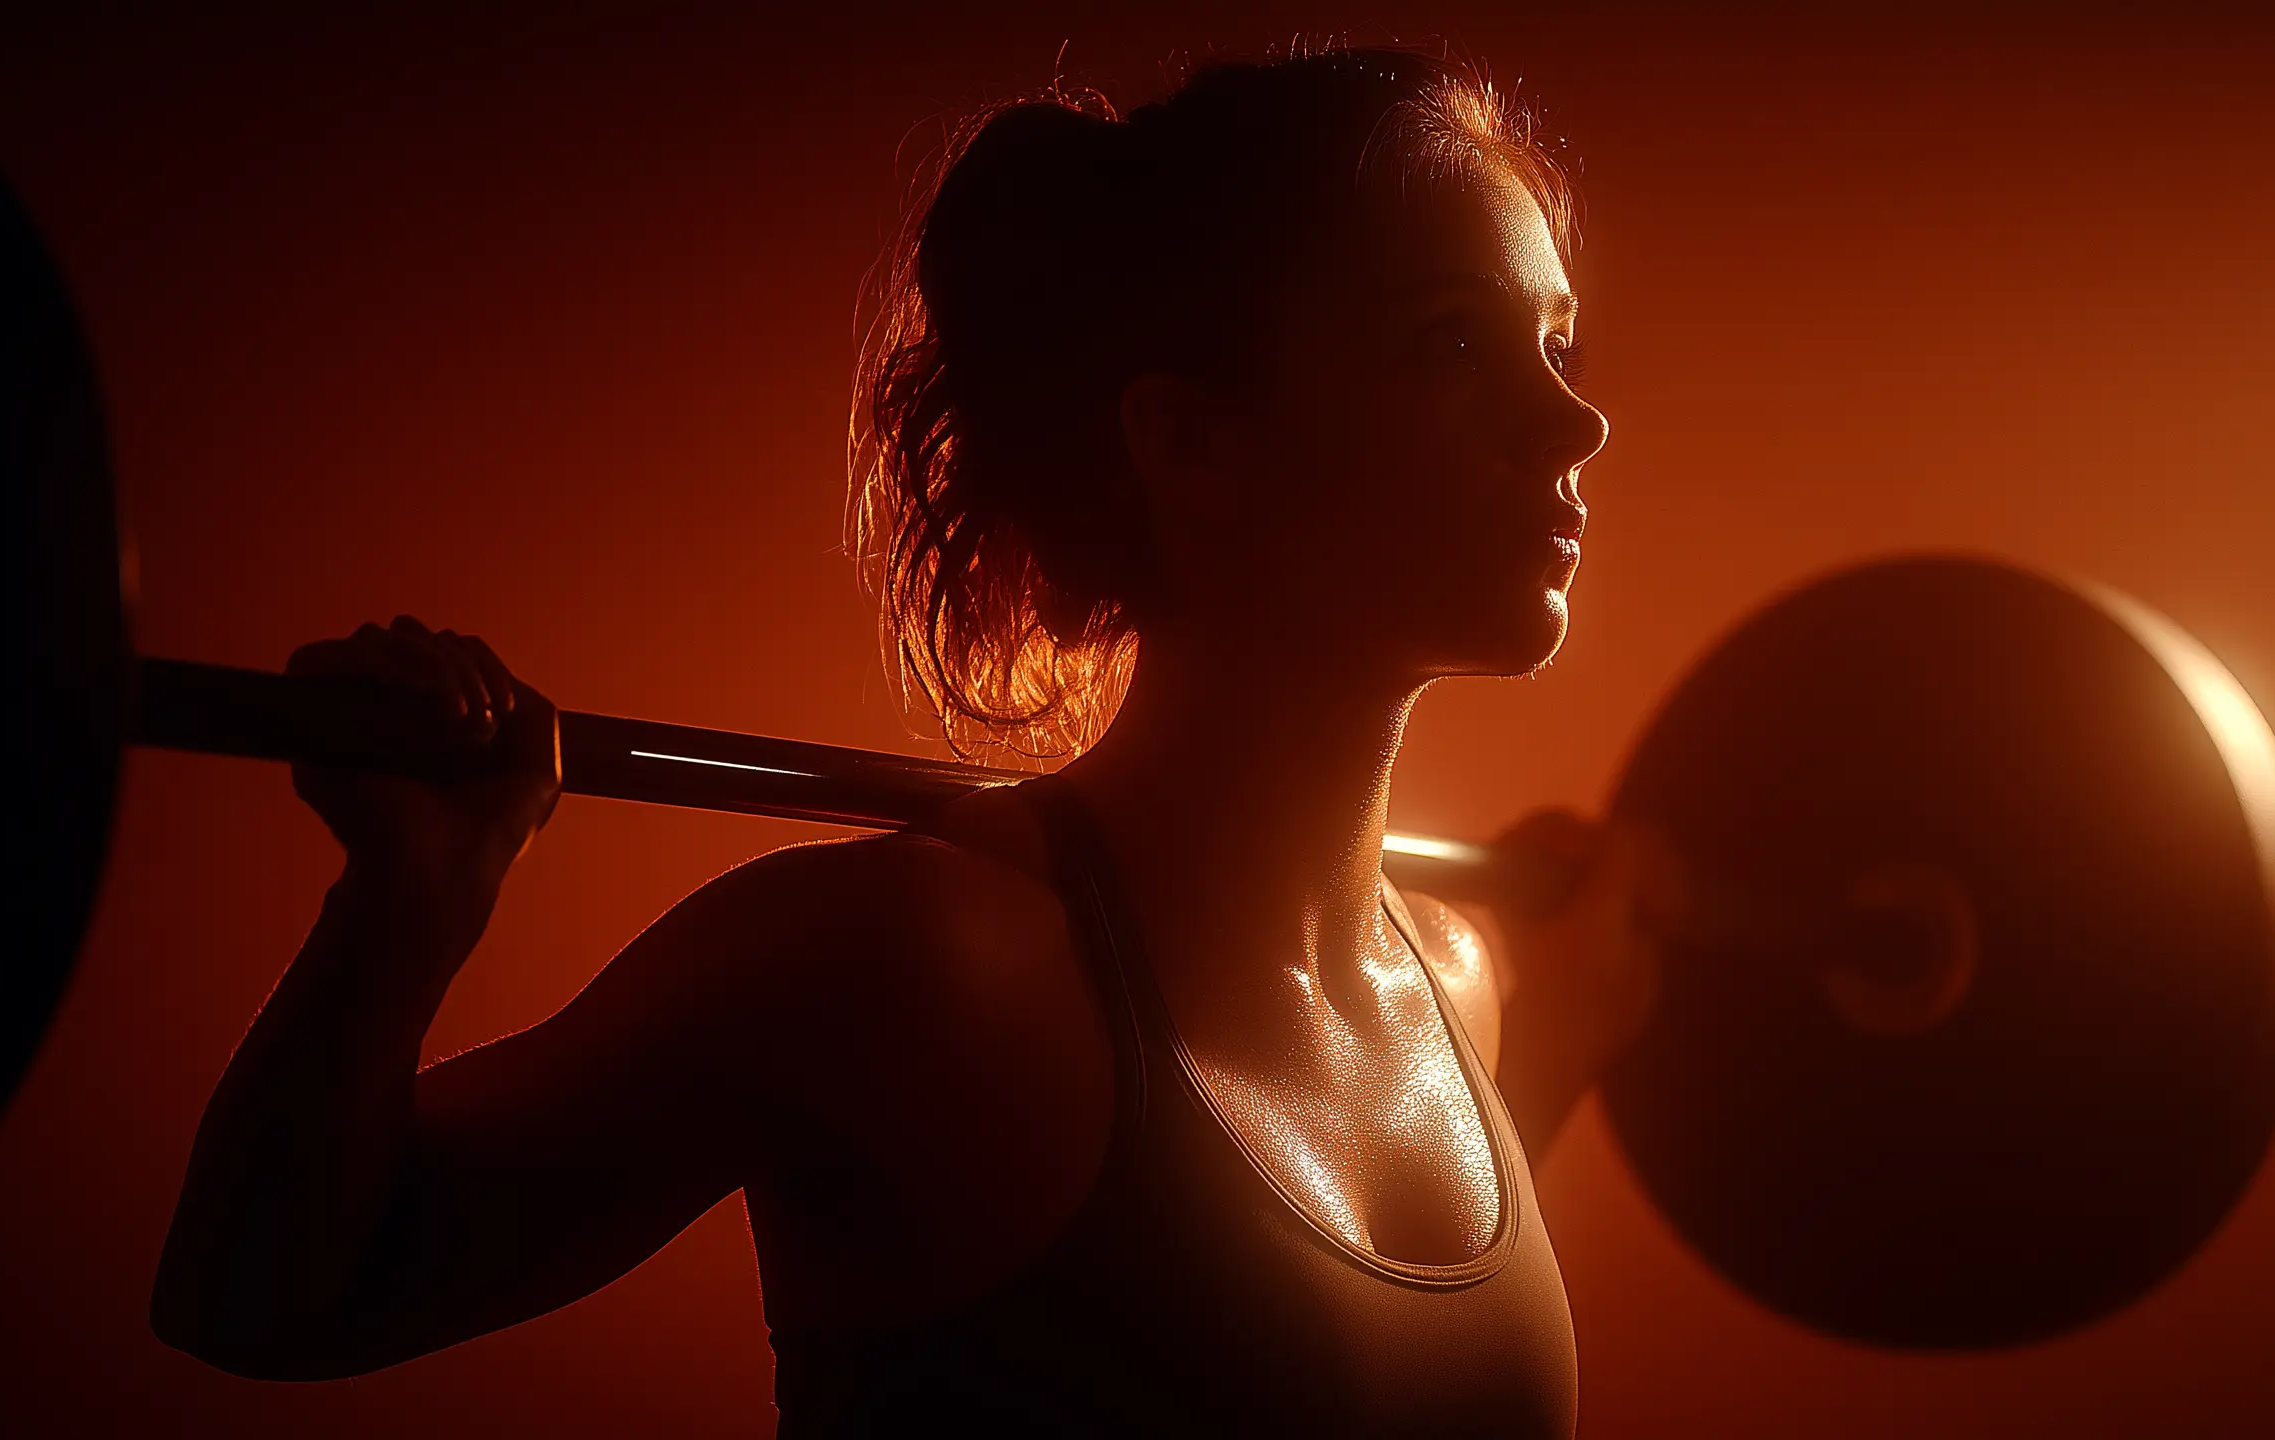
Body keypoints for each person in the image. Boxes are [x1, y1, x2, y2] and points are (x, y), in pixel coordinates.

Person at [153, 47, 1653, 1438]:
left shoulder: (1468, 985)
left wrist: (1578, 1025)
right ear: (1194, 443)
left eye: (1558, 341)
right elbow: (264, 1303)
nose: (1574, 424)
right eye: (1455, 342)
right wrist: (402, 909)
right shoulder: (914, 967)